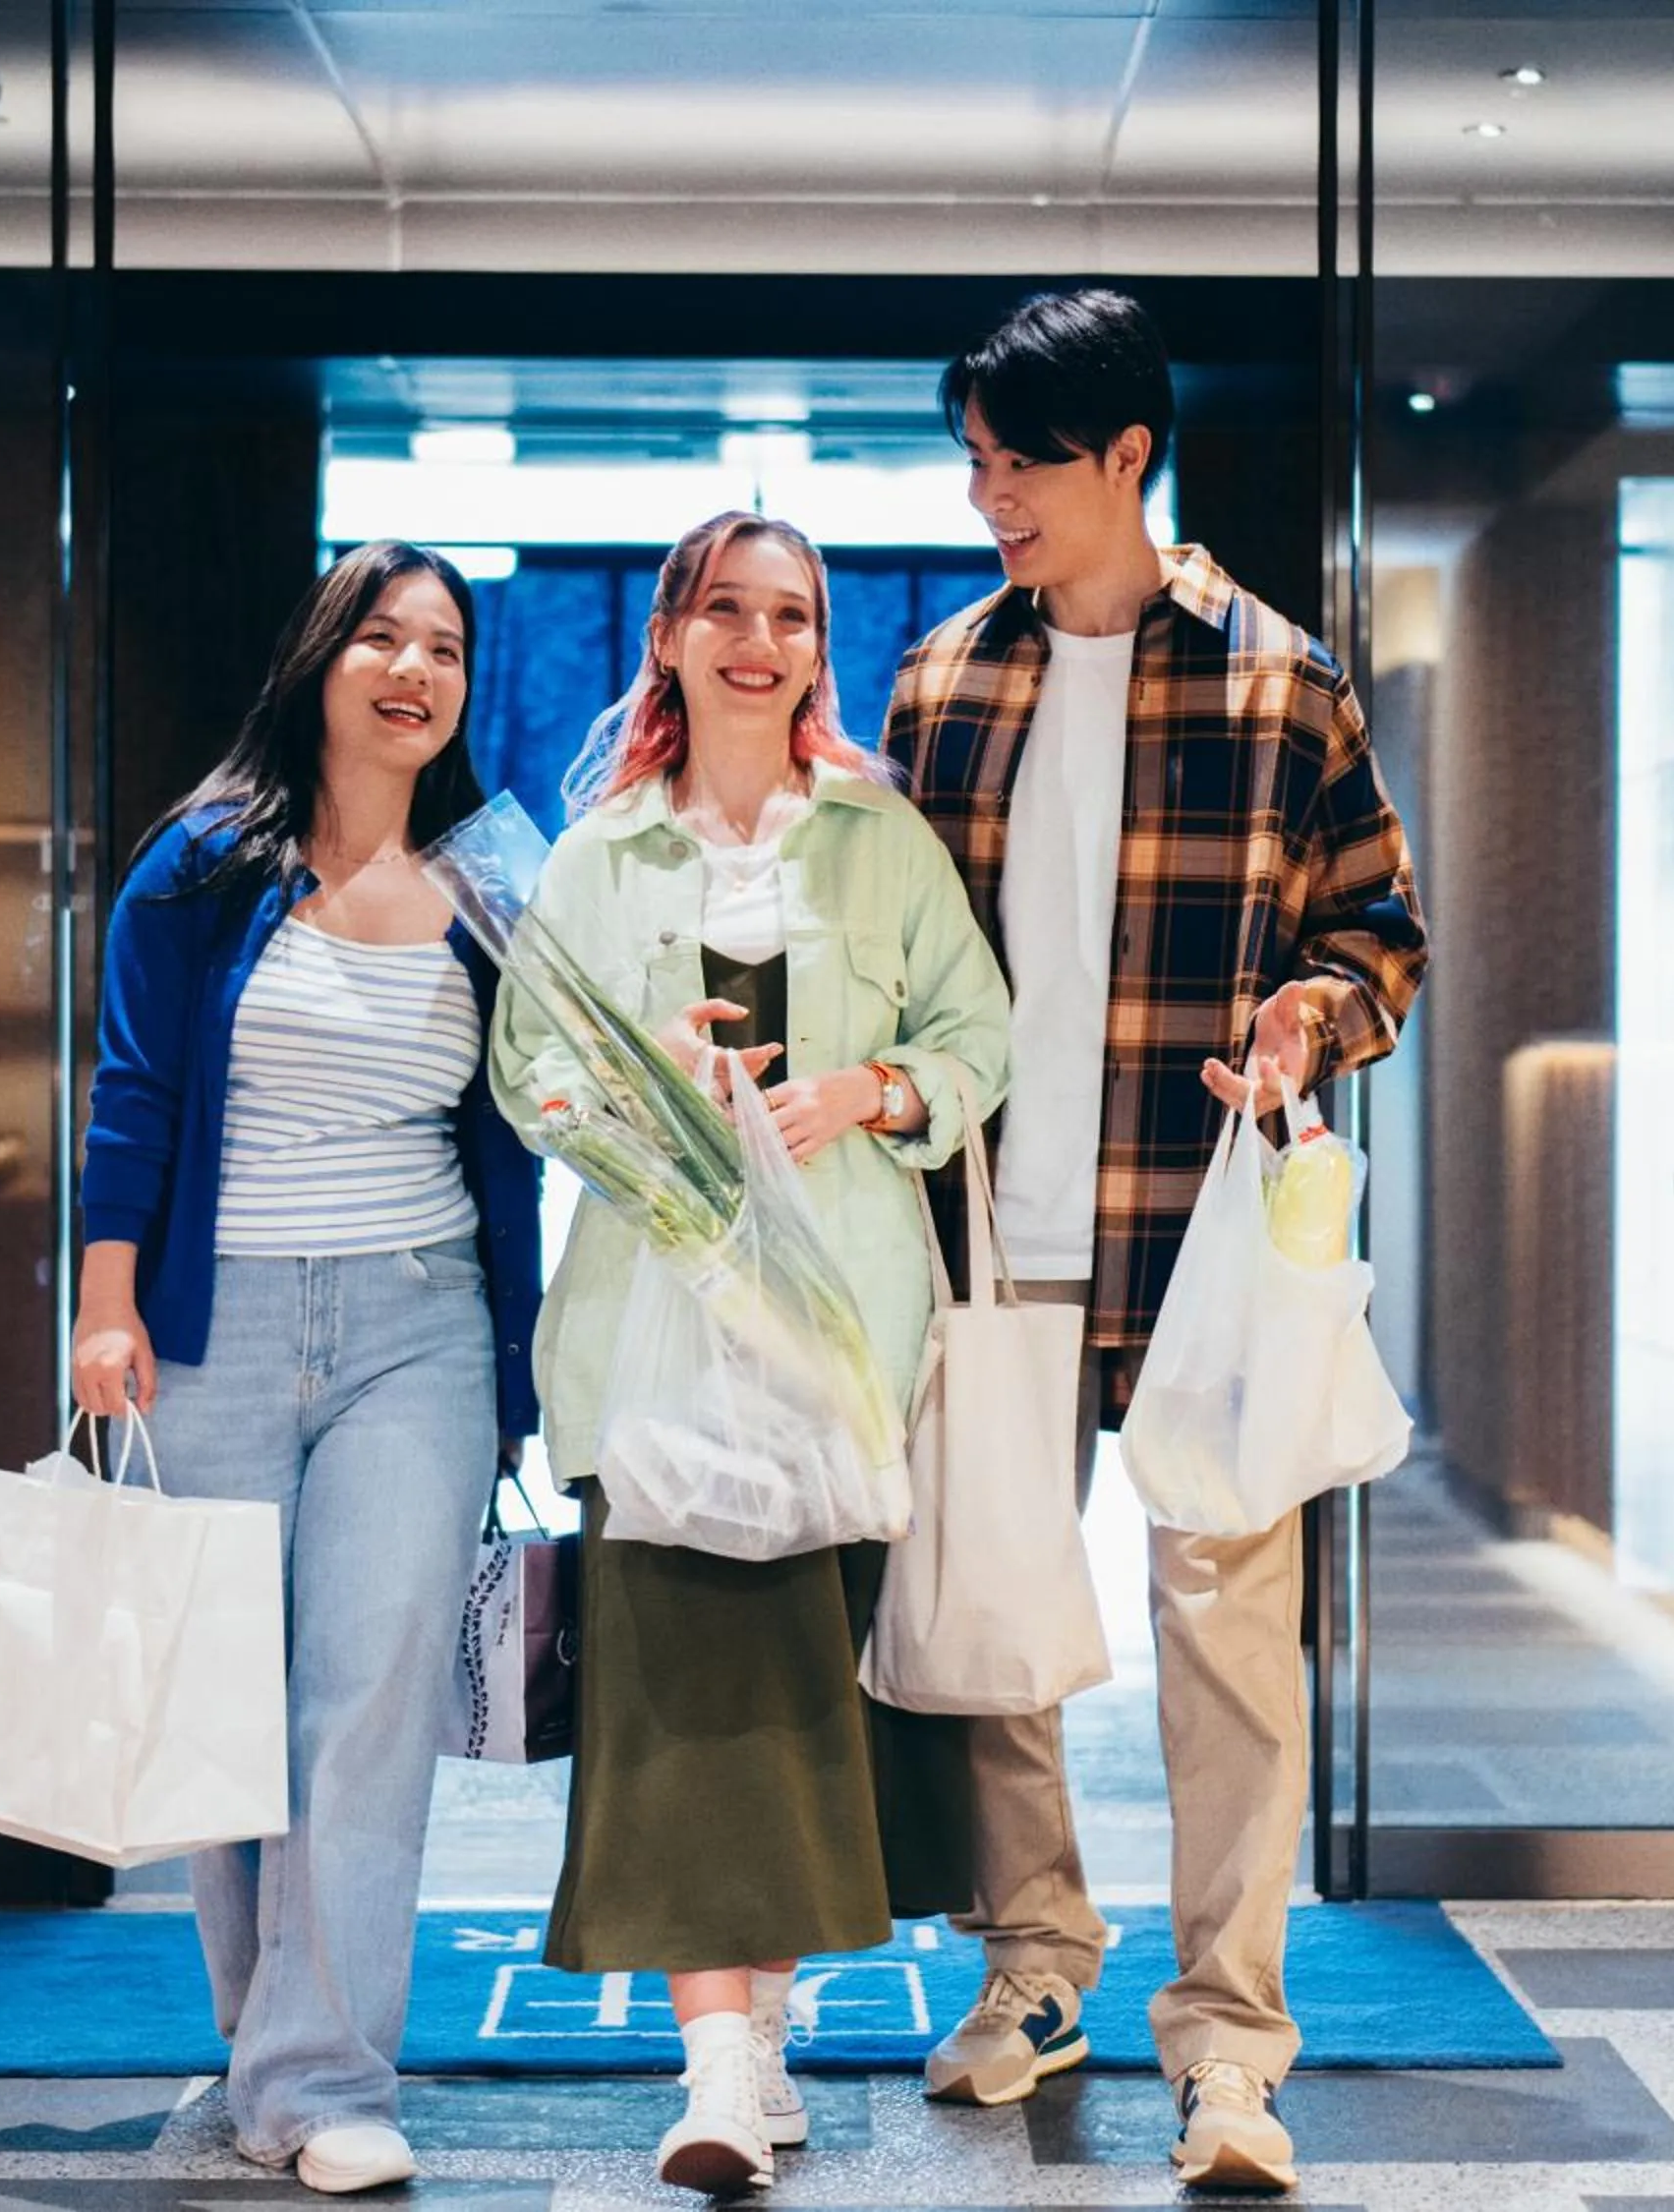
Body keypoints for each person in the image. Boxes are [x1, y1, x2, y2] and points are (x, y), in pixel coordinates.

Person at [888, 290, 1428, 2195]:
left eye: (1017, 462)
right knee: (1002, 1629)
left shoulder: (1285, 681)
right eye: (974, 463)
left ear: (1125, 455)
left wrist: (1309, 1017)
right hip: (997, 1230)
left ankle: (1231, 2047)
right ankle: (1035, 1967)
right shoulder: (943, 682)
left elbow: (1384, 935)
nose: (989, 500)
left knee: (1233, 1642)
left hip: (1203, 1242)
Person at [490, 512, 1011, 2196]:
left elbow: (976, 1036)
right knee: (665, 1699)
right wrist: (647, 1077)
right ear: (669, 634)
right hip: (652, 1346)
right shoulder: (598, 855)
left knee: (797, 1702)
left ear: (814, 647)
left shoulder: (879, 838)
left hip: (838, 1333)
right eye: (728, 609)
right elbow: (527, 1073)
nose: (760, 642)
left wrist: (863, 1091)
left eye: (790, 615)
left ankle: (759, 2038)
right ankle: (715, 2063)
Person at [69, 541, 542, 2196]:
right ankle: (264, 2033)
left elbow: (536, 1119)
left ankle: (326, 2074)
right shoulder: (201, 867)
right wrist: (103, 1303)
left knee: (371, 1701)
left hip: (419, 1327)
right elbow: (131, 1095)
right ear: (321, 659)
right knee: (231, 1711)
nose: (416, 671)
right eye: (384, 639)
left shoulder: (492, 889)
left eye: (447, 650)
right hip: (217, 1323)